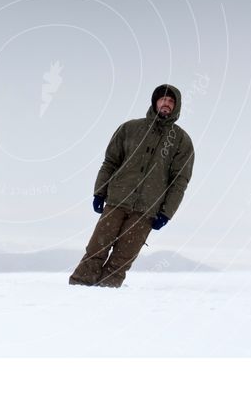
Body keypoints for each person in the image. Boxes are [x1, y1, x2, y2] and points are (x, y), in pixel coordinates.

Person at [69, 84, 195, 288]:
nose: (166, 104)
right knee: (96, 249)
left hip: (147, 210)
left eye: (171, 101)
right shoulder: (130, 128)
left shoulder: (182, 141)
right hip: (117, 201)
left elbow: (179, 182)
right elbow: (110, 162)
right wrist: (99, 192)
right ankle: (79, 288)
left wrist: (166, 213)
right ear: (155, 102)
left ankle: (106, 294)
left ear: (177, 106)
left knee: (122, 259)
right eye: (162, 99)